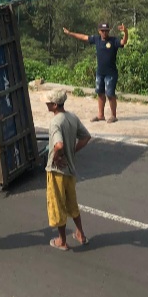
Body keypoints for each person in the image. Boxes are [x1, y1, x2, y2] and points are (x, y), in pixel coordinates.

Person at [43, 89, 92, 251]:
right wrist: (73, 151)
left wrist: (57, 156)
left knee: (57, 205)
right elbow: (85, 137)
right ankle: (80, 233)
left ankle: (62, 241)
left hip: (57, 171)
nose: (46, 104)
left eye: (49, 102)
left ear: (55, 105)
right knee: (72, 203)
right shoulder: (72, 117)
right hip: (70, 170)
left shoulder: (56, 122)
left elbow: (59, 145)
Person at [63, 22, 128, 123]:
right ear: (99, 31)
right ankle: (101, 115)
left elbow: (123, 42)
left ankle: (113, 116)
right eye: (102, 31)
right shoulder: (96, 39)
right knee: (100, 93)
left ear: (109, 31)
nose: (104, 33)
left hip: (111, 73)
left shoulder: (113, 40)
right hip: (100, 72)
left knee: (110, 94)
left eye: (106, 31)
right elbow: (83, 37)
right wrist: (70, 33)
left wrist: (126, 32)